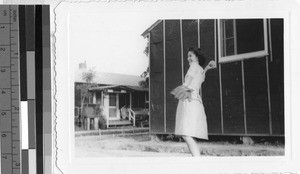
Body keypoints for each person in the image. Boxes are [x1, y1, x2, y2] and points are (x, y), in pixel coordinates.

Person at [174, 47, 216, 156]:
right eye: (187, 56)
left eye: (190, 56)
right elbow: (201, 78)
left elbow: (187, 84)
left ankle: (197, 159)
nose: (188, 58)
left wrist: (178, 92)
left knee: (186, 133)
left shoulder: (193, 66)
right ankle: (196, 158)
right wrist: (207, 68)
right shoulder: (200, 69)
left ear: (197, 57)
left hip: (189, 99)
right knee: (188, 133)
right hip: (196, 101)